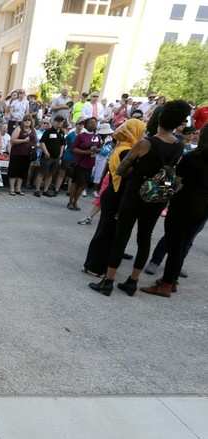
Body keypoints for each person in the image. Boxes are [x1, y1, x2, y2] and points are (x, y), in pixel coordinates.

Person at [90, 100, 191, 296]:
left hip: (135, 195)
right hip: (157, 197)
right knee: (144, 238)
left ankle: (108, 280)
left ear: (159, 119)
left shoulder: (145, 143)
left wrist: (137, 169)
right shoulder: (179, 146)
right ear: (178, 122)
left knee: (122, 235)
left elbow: (121, 168)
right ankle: (132, 281)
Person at [142, 125, 208, 296]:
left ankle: (166, 284)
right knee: (184, 243)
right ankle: (172, 279)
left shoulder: (193, 157)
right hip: (203, 208)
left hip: (184, 205)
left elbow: (176, 182)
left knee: (174, 244)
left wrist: (158, 192)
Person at [82, 119, 145, 276]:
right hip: (117, 196)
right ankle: (96, 267)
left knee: (104, 231)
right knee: (107, 233)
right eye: (141, 131)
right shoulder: (127, 151)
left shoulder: (122, 147)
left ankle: (92, 265)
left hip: (112, 194)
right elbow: (127, 178)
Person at [68, 117, 100, 210]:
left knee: (83, 185)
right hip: (80, 163)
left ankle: (75, 201)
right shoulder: (81, 136)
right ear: (86, 125)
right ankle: (70, 201)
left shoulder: (97, 137)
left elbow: (98, 148)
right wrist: (86, 152)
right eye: (91, 122)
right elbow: (74, 149)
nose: (93, 124)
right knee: (76, 183)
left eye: (95, 122)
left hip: (90, 164)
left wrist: (96, 150)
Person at [36, 115, 66, 197]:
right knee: (42, 173)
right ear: (54, 122)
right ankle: (37, 190)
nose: (59, 123)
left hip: (56, 157)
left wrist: (60, 154)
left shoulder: (62, 132)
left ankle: (45, 190)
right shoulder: (48, 131)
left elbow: (62, 145)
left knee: (50, 174)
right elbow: (42, 142)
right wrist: (46, 152)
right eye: (57, 121)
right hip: (47, 156)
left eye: (61, 121)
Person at [8, 115, 37, 195]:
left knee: (22, 172)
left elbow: (35, 141)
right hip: (17, 154)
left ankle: (18, 189)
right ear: (23, 121)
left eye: (29, 120)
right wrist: (24, 140)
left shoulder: (33, 130)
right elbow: (12, 140)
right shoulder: (19, 129)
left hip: (27, 155)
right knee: (14, 171)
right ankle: (12, 189)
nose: (27, 121)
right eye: (25, 120)